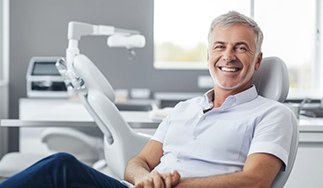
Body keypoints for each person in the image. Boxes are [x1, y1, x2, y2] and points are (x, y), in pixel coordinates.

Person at [0, 11, 295, 188]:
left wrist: (174, 184)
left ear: (257, 61)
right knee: (60, 168)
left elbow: (255, 181)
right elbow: (138, 161)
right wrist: (144, 178)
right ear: (208, 56)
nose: (228, 56)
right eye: (220, 46)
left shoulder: (272, 114)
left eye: (240, 48)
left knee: (61, 168)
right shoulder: (184, 110)